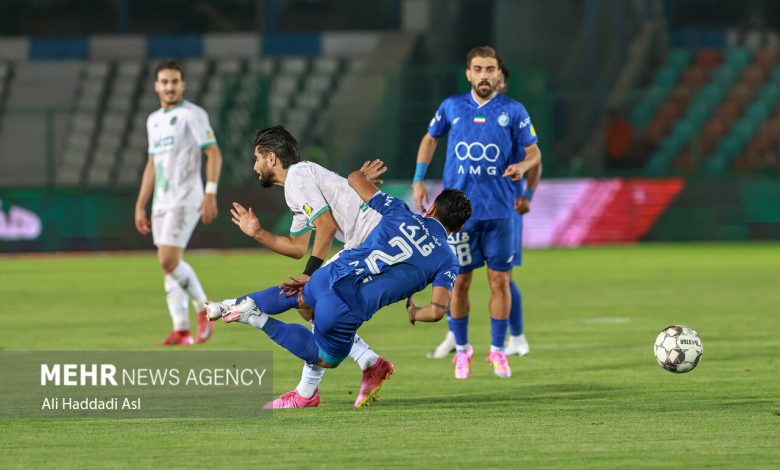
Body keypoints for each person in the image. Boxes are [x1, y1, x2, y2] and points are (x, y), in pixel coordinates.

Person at [206, 160, 471, 408]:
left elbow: (354, 178)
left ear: (431, 208)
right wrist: (414, 312)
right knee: (325, 358)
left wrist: (363, 176)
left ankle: (230, 306)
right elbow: (436, 311)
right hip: (345, 307)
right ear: (457, 229)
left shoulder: (400, 210)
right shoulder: (447, 260)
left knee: (300, 300)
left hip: (330, 274)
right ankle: (255, 318)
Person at [222, 125, 391, 409]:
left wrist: (309, 275)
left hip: (371, 242)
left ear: (272, 158)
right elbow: (297, 247)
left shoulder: (297, 177)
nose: (254, 166)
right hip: (369, 242)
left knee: (307, 296)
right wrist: (258, 234)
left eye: (257, 158)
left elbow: (326, 226)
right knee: (308, 305)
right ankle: (367, 362)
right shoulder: (299, 185)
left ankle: (310, 392)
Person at [412, 46, 541, 379]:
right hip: (458, 215)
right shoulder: (452, 107)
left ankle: (498, 350)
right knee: (459, 282)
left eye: (490, 69)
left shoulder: (513, 111)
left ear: (499, 73)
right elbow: (430, 139)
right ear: (469, 73)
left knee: (500, 280)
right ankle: (462, 349)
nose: (485, 75)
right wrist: (418, 179)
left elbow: (534, 153)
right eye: (478, 69)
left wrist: (523, 166)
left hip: (500, 212)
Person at [134, 60, 223, 346]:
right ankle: (181, 330)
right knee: (169, 266)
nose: (169, 87)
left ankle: (203, 308)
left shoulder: (193, 115)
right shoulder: (153, 120)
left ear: (183, 85)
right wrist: (141, 204)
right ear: (156, 86)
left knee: (168, 259)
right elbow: (152, 164)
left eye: (174, 81)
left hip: (186, 199)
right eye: (164, 82)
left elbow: (213, 153)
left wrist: (210, 192)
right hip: (162, 201)